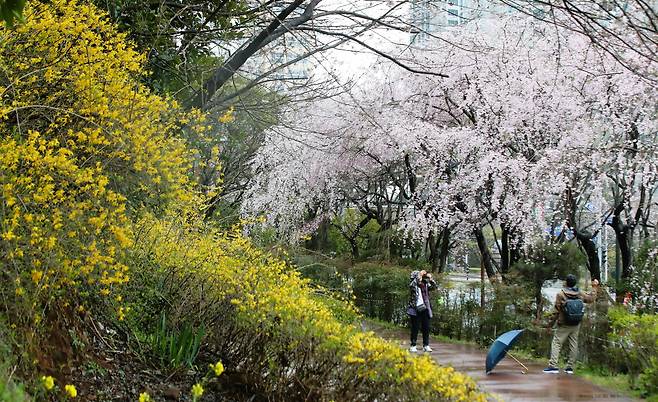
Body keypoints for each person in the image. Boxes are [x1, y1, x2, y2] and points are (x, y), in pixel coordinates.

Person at [543, 274, 599, 374]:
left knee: (556, 343)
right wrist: (594, 287)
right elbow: (591, 299)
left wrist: (549, 325)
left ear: (566, 282)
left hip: (563, 323)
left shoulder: (561, 294)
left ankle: (553, 365)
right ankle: (570, 367)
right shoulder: (580, 293)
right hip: (576, 323)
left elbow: (556, 312)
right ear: (574, 283)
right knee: (573, 344)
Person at [407, 269, 437, 353]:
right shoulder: (414, 285)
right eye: (419, 276)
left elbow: (434, 287)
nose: (421, 278)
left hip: (425, 308)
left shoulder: (425, 285)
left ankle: (426, 345)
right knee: (415, 328)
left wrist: (431, 279)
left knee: (426, 327)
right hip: (415, 308)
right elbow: (412, 284)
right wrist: (419, 275)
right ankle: (413, 345)